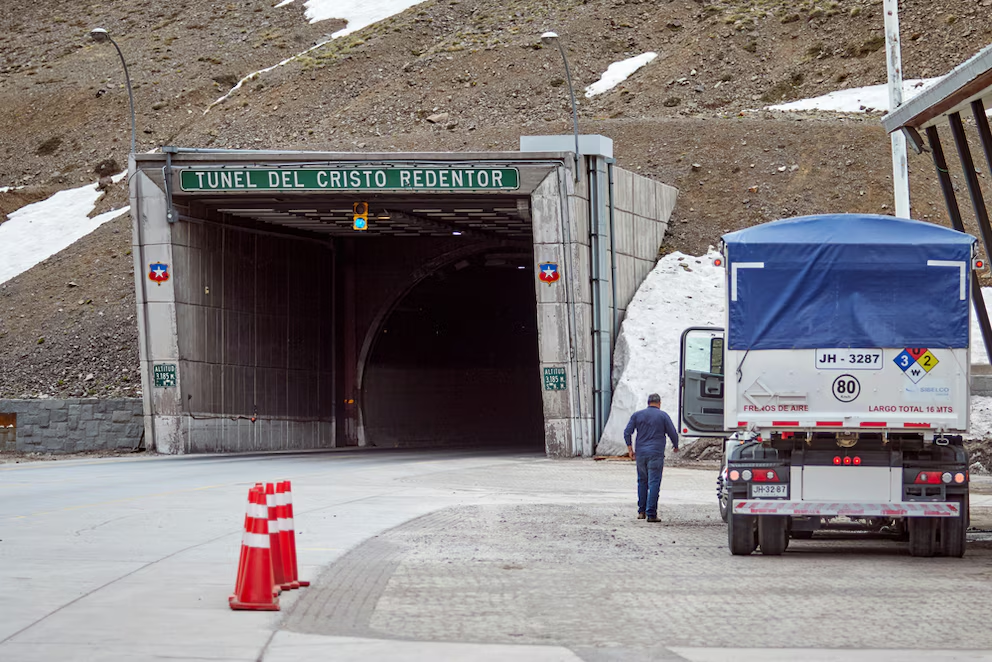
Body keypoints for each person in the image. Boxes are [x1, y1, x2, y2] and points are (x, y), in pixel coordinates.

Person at [623, 393, 679, 522]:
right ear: (659, 403)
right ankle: (651, 514)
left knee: (642, 481)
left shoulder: (637, 415)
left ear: (648, 402)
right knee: (654, 482)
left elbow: (627, 432)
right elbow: (673, 433)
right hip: (655, 454)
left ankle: (641, 511)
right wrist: (675, 446)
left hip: (641, 454)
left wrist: (630, 449)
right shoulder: (663, 416)